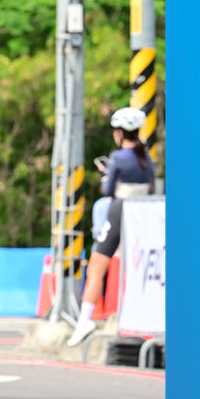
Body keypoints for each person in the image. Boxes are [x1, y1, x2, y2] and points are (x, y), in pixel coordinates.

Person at [67, 107, 155, 346]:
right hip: (142, 212)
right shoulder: (146, 157)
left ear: (120, 133)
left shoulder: (118, 157)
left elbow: (108, 190)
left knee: (97, 265)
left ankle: (84, 320)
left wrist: (107, 176)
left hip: (119, 210)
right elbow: (151, 187)